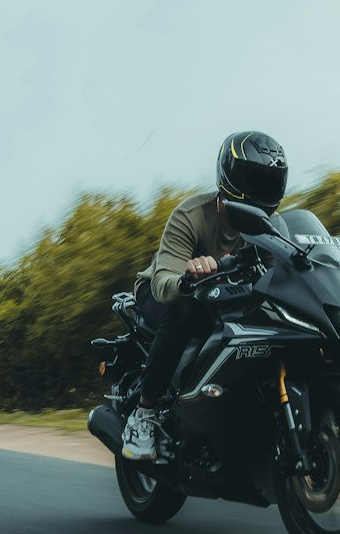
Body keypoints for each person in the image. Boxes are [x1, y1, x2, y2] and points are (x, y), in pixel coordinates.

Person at [122, 130, 288, 460]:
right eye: (256, 179)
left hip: (224, 298)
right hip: (164, 295)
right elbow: (162, 282)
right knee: (186, 309)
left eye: (270, 181)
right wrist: (187, 278)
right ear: (231, 180)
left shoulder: (272, 226)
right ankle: (145, 413)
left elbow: (283, 275)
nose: (262, 190)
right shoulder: (192, 215)